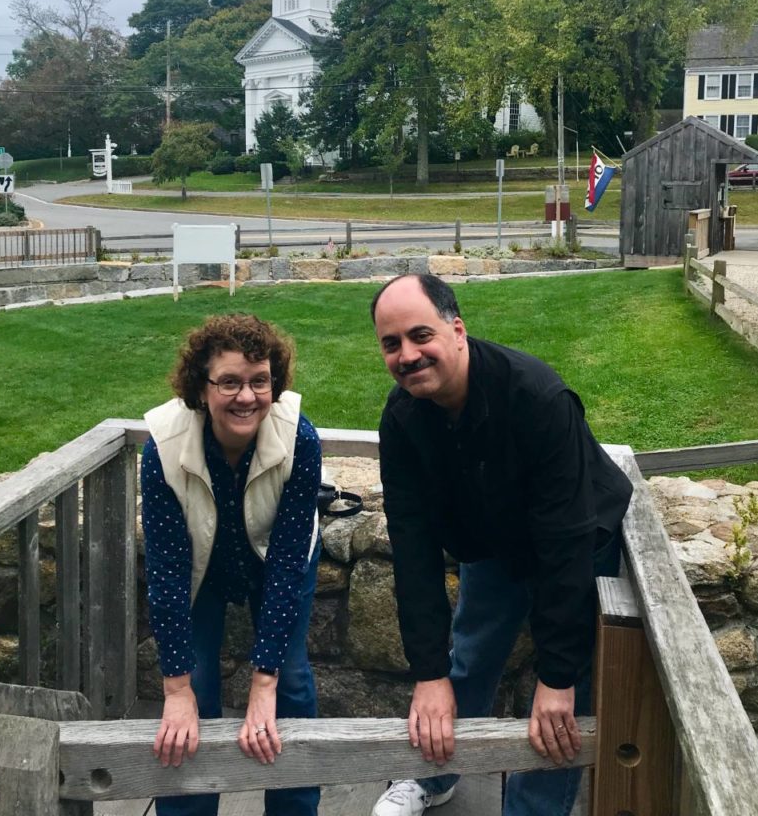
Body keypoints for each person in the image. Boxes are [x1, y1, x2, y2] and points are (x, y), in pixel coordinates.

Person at [369, 274, 633, 816]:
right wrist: (427, 674)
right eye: (391, 343)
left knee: (564, 701)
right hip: (489, 541)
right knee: (466, 659)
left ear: (457, 329)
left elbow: (566, 543)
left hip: (579, 538)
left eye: (421, 335)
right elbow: (413, 552)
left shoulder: (536, 397)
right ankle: (435, 774)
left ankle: (533, 810)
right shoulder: (401, 419)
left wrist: (555, 676)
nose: (408, 355)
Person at [141, 313, 321, 816]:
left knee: (290, 681)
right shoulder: (163, 449)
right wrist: (175, 688)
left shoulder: (298, 439)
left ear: (275, 383)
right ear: (201, 387)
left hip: (275, 561)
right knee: (193, 689)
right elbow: (168, 575)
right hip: (198, 564)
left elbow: (287, 563)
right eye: (230, 382)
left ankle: (294, 809)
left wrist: (262, 684)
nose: (247, 396)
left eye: (260, 381)